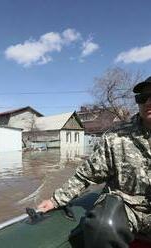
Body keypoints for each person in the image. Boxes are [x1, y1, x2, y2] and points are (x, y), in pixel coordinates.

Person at [37, 76, 151, 247]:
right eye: (142, 98)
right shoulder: (116, 137)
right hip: (127, 206)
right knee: (102, 228)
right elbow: (87, 174)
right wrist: (56, 200)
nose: (148, 101)